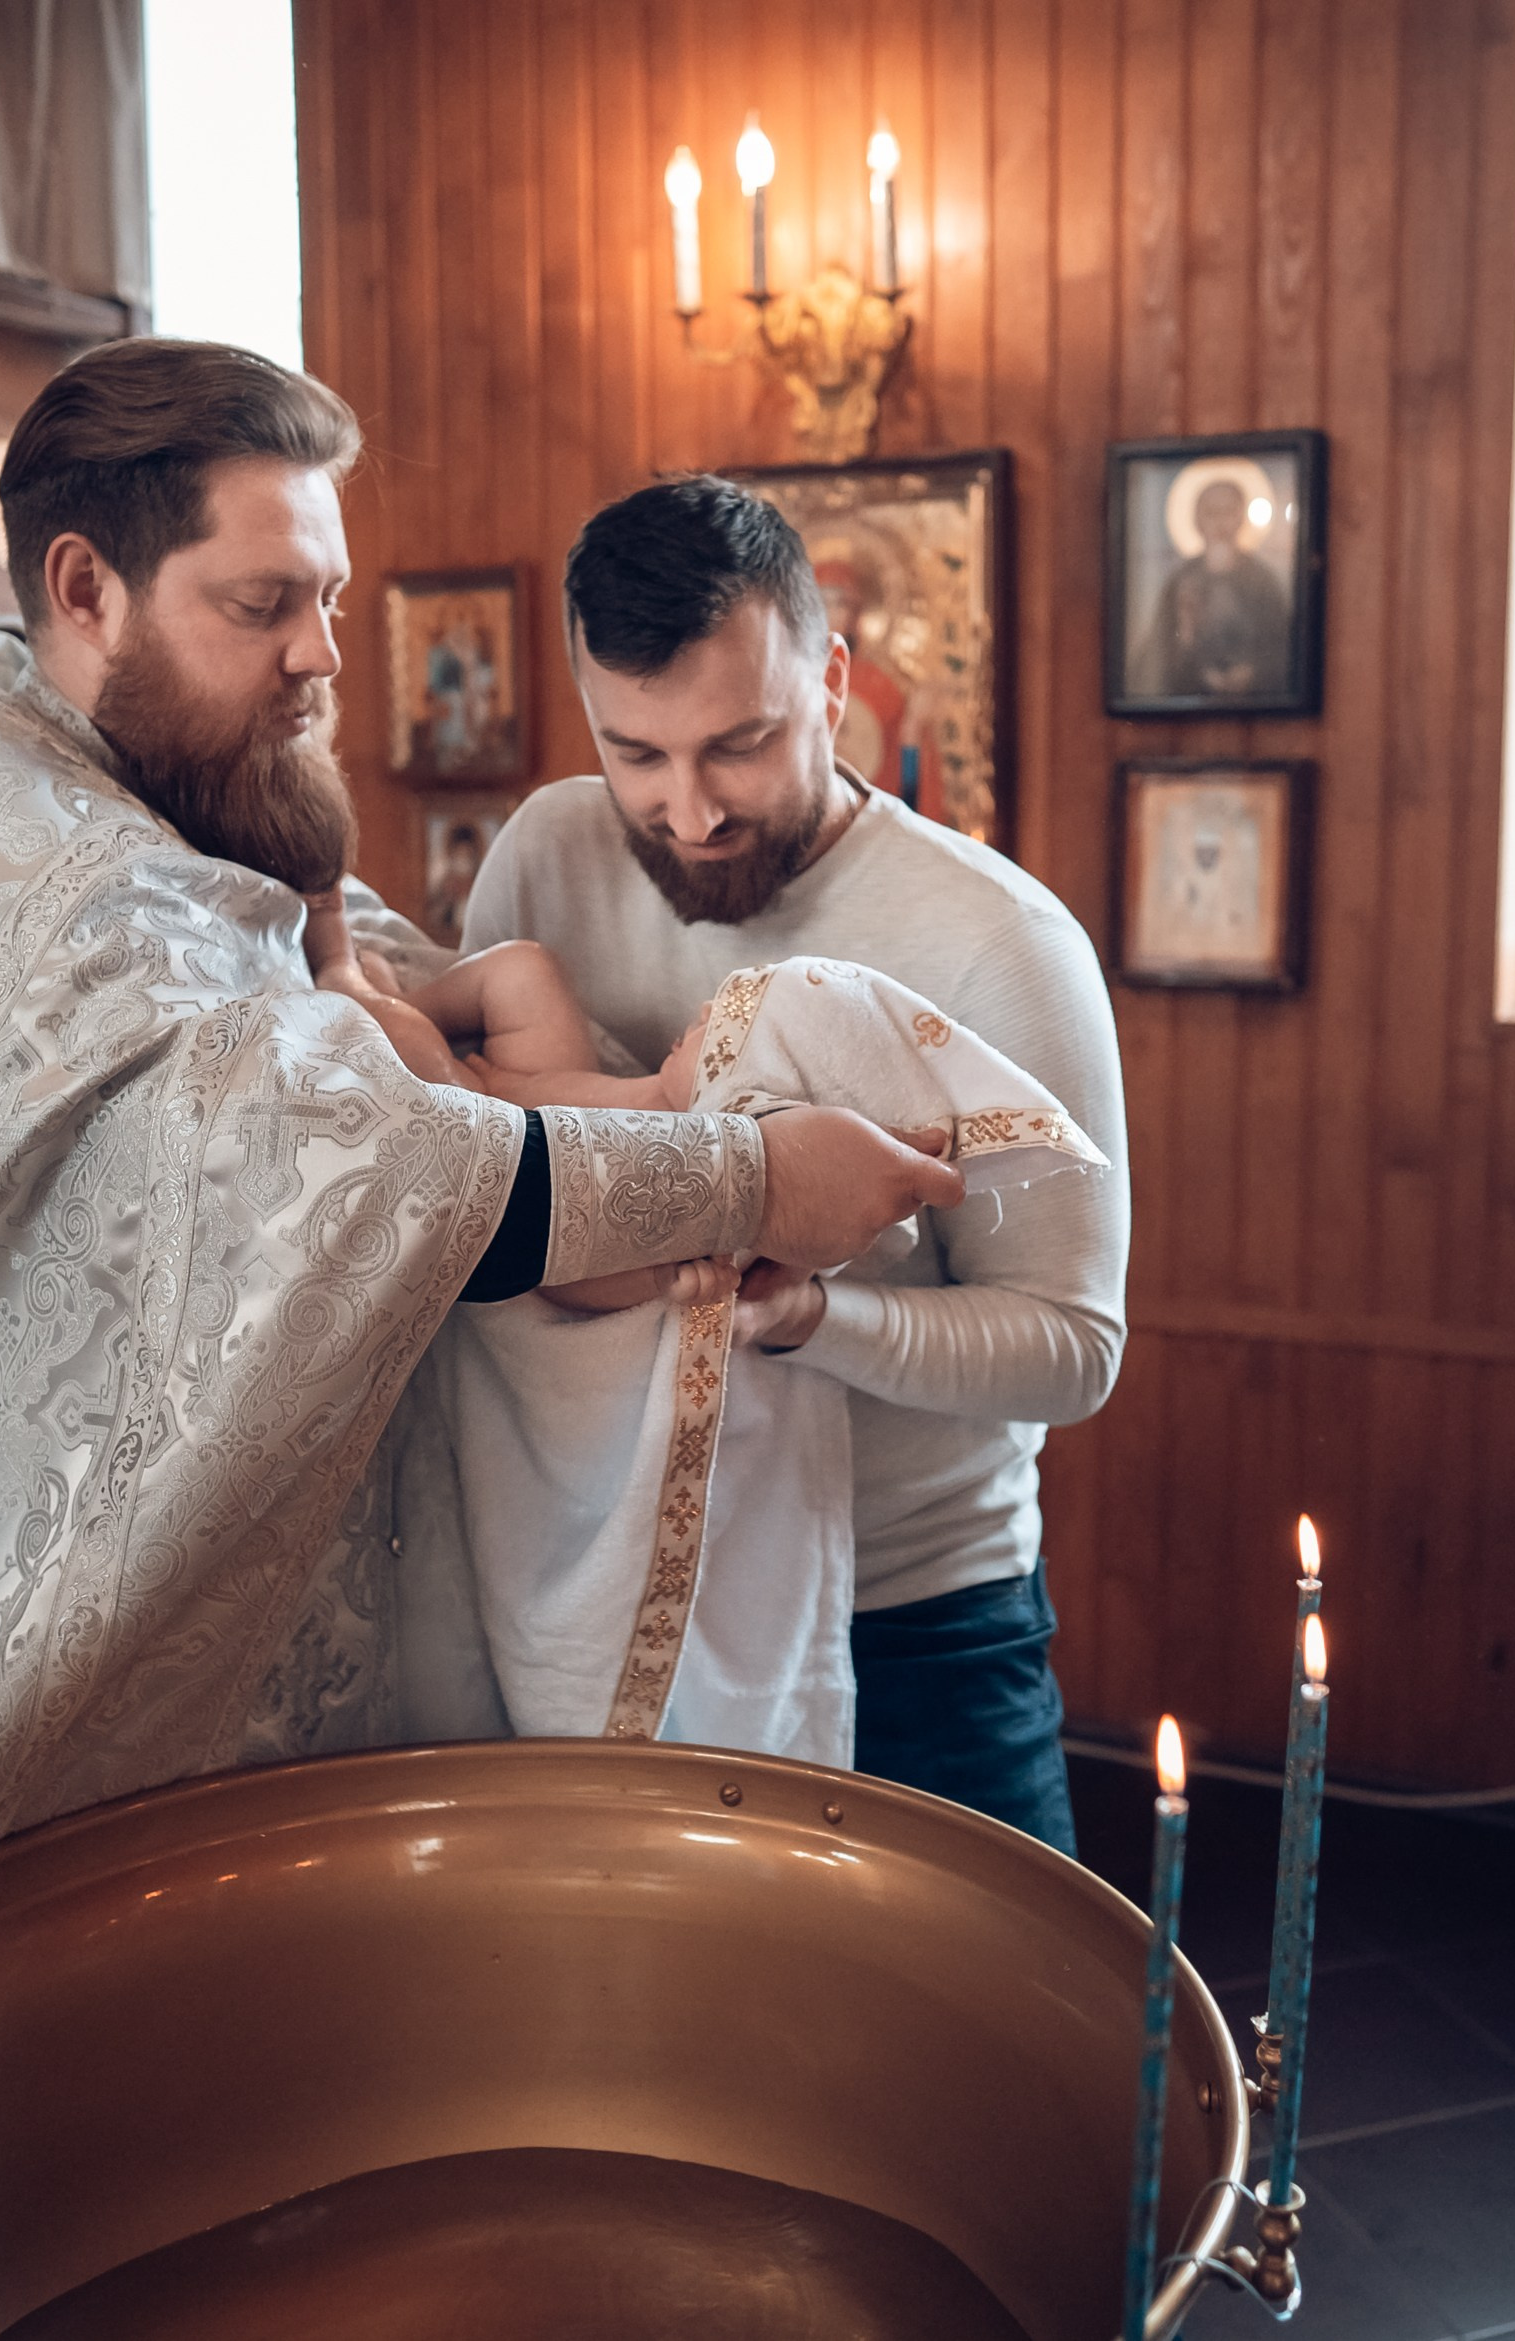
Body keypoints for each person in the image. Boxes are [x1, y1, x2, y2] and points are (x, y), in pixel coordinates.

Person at [0, 344, 964, 2008]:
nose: (320, 658)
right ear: (86, 588)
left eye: (335, 601)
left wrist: (459, 998)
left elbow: (329, 986)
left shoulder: (111, 779)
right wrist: (751, 1180)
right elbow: (360, 1164)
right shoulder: (28, 872)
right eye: (264, 603)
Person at [461, 474, 1129, 1854]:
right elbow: (471, 1153)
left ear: (832, 683)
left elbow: (1073, 1348)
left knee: (999, 2056)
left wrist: (810, 1317)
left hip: (917, 1615)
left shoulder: (999, 943)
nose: (689, 810)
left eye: (741, 744)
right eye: (634, 752)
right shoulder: (545, 859)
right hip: (606, 1577)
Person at [1138, 475, 1292, 700]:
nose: (1220, 523)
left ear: (1241, 517)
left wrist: (1252, 674)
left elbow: (1282, 649)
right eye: (1212, 513)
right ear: (1198, 520)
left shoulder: (1261, 580)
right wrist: (1187, 631)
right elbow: (1162, 652)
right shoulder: (1181, 580)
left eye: (1228, 512)